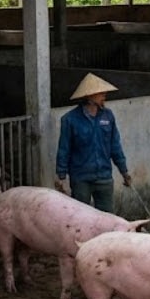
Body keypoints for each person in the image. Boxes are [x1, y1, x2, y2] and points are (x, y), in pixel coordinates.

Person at [55, 73, 131, 213]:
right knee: (80, 217)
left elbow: (115, 146)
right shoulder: (70, 120)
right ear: (90, 96)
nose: (104, 95)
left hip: (104, 177)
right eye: (101, 93)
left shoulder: (108, 116)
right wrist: (61, 176)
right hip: (81, 178)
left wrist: (124, 171)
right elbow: (64, 149)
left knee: (107, 216)